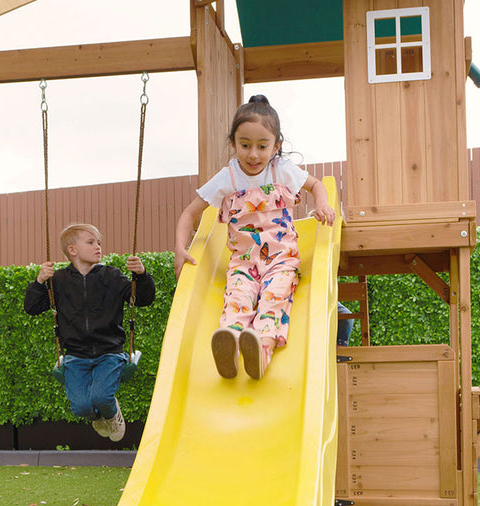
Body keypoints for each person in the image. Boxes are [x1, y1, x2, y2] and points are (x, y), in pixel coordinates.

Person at [174, 94, 335, 380]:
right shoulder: (228, 178)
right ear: (233, 143)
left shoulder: (281, 170)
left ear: (276, 146)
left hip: (281, 260)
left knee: (273, 301)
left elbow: (316, 186)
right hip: (244, 262)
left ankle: (261, 351)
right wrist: (179, 249)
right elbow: (189, 214)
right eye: (245, 145)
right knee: (237, 299)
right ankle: (230, 344)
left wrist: (322, 204)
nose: (253, 155)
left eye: (262, 146)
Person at [24, 223, 155, 441]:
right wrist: (39, 281)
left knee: (102, 397)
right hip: (75, 355)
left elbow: (142, 299)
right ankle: (97, 418)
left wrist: (141, 276)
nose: (98, 247)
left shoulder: (112, 276)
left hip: (109, 351)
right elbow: (32, 307)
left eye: (99, 243)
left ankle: (112, 415)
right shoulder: (58, 281)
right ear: (72, 250)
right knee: (81, 407)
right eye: (91, 242)